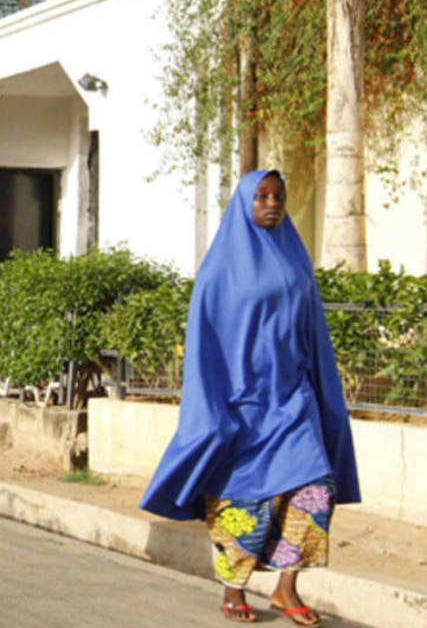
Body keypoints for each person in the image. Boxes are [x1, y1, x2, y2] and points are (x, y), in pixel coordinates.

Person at [140, 170, 360, 626]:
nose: (272, 203)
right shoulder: (220, 270)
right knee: (245, 500)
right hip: (241, 403)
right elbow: (207, 343)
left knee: (315, 487)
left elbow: (312, 332)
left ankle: (286, 588)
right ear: (244, 203)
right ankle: (233, 588)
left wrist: (322, 396)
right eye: (261, 196)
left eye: (279, 195)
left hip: (293, 400)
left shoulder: (295, 258)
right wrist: (212, 407)